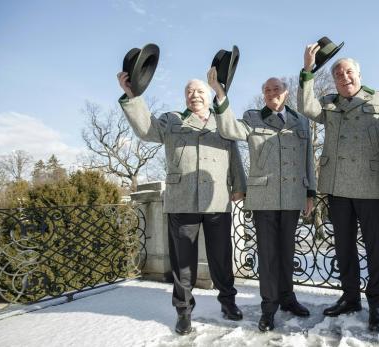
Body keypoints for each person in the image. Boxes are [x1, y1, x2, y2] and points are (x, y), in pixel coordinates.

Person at [116, 72, 247, 335]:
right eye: (189, 91)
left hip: (216, 198)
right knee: (182, 263)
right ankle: (183, 311)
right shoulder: (171, 120)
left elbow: (233, 154)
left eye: (199, 91)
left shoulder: (222, 121)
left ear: (209, 96)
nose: (194, 95)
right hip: (181, 200)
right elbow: (146, 130)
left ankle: (228, 302)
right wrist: (132, 96)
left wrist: (239, 186)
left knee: (220, 257)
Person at [297, 44, 379, 332]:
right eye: (339, 74)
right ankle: (350, 297)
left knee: (375, 249)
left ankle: (377, 303)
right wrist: (308, 70)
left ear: (359, 74)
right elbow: (306, 106)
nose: (344, 77)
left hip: (372, 186)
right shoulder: (329, 103)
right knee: (343, 247)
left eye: (349, 72)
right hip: (338, 185)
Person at [208, 68, 316, 332]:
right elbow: (229, 128)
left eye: (276, 89)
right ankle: (269, 307)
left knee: (287, 252)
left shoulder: (301, 121)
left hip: (292, 197)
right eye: (267, 90)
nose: (271, 94)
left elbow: (308, 159)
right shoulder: (252, 118)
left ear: (285, 92)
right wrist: (220, 95)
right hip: (264, 197)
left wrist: (310, 193)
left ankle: (288, 299)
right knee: (268, 256)